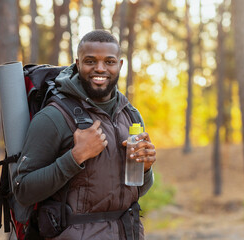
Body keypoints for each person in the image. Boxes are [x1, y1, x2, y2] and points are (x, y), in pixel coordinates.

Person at [12, 29, 156, 240]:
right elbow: (23, 191)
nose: (100, 68)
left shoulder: (131, 115)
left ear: (120, 65)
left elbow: (138, 190)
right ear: (78, 63)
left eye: (109, 61)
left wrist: (145, 169)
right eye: (90, 61)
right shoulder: (54, 117)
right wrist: (75, 157)